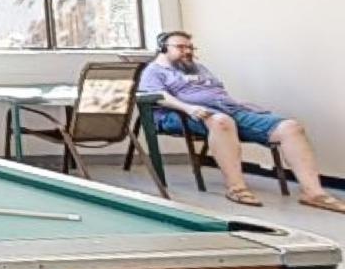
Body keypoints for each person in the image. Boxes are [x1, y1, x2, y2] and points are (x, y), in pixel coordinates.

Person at [139, 31, 344, 213]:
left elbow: (217, 91)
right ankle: (237, 188)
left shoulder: (198, 68)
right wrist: (189, 108)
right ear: (163, 48)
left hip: (229, 110)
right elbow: (159, 96)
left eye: (190, 47)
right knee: (221, 122)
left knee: (290, 127)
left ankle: (314, 193)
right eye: (181, 47)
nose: (187, 51)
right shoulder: (154, 71)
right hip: (183, 114)